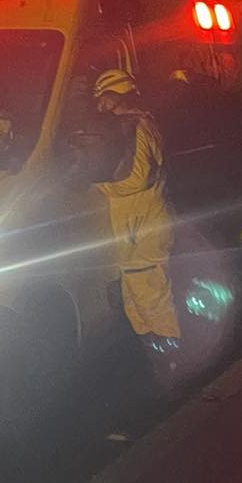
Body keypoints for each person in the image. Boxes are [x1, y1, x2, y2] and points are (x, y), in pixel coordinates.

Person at [91, 69, 181, 367]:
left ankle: (170, 353)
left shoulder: (138, 126)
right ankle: (155, 353)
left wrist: (100, 186)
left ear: (120, 95)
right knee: (134, 289)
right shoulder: (130, 125)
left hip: (144, 223)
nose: (101, 106)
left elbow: (137, 178)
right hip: (136, 221)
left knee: (149, 288)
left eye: (106, 99)